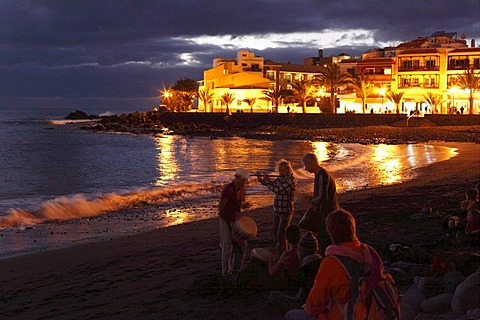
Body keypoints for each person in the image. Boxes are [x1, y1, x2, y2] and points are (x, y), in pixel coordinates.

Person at [284, 209, 385, 320]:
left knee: (291, 315)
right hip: (371, 312)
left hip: (347, 315)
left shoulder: (332, 263)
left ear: (331, 234)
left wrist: (307, 308)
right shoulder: (369, 253)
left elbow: (314, 304)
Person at [301, 153, 339, 254]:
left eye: (305, 165)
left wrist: (310, 200)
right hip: (327, 211)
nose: (305, 168)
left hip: (327, 212)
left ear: (311, 163)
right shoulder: (321, 174)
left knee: (324, 238)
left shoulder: (322, 175)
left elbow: (322, 197)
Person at [258, 159, 297, 256]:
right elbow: (273, 184)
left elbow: (277, 190)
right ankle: (281, 250)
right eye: (279, 171)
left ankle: (284, 252)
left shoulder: (291, 181)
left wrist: (267, 182)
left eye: (283, 171)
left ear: (288, 170)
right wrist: (262, 180)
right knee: (275, 232)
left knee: (281, 234)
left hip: (286, 211)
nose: (280, 173)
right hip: (277, 209)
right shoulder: (280, 178)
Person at [218, 167, 250, 277]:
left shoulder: (241, 189)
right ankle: (225, 273)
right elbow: (221, 207)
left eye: (243, 180)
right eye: (241, 179)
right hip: (226, 220)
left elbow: (237, 204)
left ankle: (236, 270)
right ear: (237, 178)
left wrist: (243, 206)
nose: (242, 182)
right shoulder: (228, 189)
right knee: (227, 248)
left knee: (241, 245)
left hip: (234, 220)